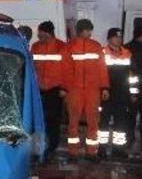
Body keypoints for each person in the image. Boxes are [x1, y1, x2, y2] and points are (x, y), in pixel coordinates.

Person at [63, 19, 109, 161]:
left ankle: (91, 152)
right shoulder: (69, 47)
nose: (89, 33)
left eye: (90, 30)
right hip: (74, 90)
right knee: (73, 122)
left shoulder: (96, 46)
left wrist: (104, 87)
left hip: (92, 90)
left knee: (93, 122)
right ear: (81, 30)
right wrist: (64, 88)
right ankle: (73, 152)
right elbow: (65, 69)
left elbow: (102, 68)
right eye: (88, 30)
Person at [30, 21, 67, 158]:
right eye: (39, 33)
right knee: (38, 119)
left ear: (49, 32)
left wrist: (64, 88)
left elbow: (67, 69)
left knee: (53, 120)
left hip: (55, 89)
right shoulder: (36, 46)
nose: (39, 35)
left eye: (41, 32)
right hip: (39, 89)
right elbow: (32, 67)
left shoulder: (61, 47)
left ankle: (51, 146)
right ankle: (38, 146)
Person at [99, 28, 135, 158]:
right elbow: (98, 75)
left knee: (121, 123)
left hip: (122, 94)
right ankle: (101, 149)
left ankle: (118, 150)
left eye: (120, 37)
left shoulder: (127, 53)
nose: (118, 39)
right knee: (103, 122)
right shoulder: (102, 53)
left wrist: (133, 93)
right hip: (106, 94)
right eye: (115, 37)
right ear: (109, 39)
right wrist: (103, 90)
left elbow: (132, 76)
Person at [125, 24, 142, 150]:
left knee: (130, 118)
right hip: (140, 90)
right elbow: (141, 73)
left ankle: (129, 140)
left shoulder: (126, 48)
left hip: (132, 89)